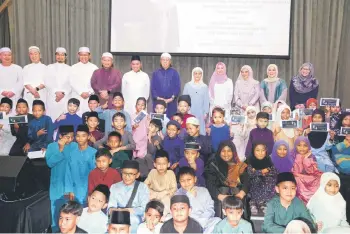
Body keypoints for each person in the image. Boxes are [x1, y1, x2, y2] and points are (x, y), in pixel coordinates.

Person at [205, 140, 249, 218]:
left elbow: (246, 181)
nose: (226, 154)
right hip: (219, 197)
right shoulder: (213, 165)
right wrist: (220, 196)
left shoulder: (239, 165)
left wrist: (241, 194)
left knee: (238, 193)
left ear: (233, 152)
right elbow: (209, 183)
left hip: (237, 196)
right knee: (223, 190)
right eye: (223, 151)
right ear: (219, 152)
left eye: (229, 151)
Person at [46, 125, 75, 232]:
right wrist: (60, 149)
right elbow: (50, 163)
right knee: (56, 215)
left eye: (72, 137)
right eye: (67, 137)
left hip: (70, 186)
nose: (70, 139)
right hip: (56, 185)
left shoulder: (75, 146)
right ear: (60, 136)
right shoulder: (52, 146)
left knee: (70, 215)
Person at [108, 160, 149, 233]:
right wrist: (113, 211)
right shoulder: (114, 187)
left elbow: (144, 208)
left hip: (134, 216)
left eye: (131, 174)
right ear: (121, 172)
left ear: (137, 175)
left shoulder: (143, 187)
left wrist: (127, 211)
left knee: (132, 221)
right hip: (116, 214)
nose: (127, 177)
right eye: (124, 173)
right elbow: (110, 207)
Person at [176, 167, 221, 233]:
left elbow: (210, 208)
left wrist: (202, 220)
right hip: (188, 222)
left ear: (195, 179)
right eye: (183, 181)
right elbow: (181, 212)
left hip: (204, 221)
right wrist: (189, 195)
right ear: (179, 182)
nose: (186, 183)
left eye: (189, 179)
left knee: (217, 220)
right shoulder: (178, 194)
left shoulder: (203, 190)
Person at [65, 125, 96, 205]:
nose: (80, 138)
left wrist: (92, 192)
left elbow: (95, 174)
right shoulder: (71, 153)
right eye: (78, 136)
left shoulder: (94, 153)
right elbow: (68, 173)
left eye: (83, 136)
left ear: (88, 137)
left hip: (89, 190)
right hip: (74, 190)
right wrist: (70, 190)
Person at [144, 149, 177, 219]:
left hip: (165, 195)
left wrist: (164, 192)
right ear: (154, 164)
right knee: (145, 197)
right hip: (154, 195)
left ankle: (163, 216)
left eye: (164, 164)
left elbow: (174, 188)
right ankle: (146, 214)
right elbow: (145, 184)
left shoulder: (171, 173)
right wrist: (153, 192)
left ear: (168, 164)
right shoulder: (152, 172)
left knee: (167, 200)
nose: (161, 166)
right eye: (158, 164)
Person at [247, 143, 277, 214]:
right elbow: (250, 174)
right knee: (257, 179)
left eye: (263, 150)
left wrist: (259, 172)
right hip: (253, 185)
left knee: (270, 180)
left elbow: (274, 172)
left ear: (266, 151)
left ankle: (263, 202)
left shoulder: (268, 160)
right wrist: (261, 172)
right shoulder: (250, 160)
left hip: (265, 184)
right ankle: (253, 202)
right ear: (253, 151)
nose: (260, 153)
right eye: (257, 150)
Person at [291, 137, 323, 204]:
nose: (302, 148)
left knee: (320, 178)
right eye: (299, 145)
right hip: (297, 176)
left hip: (308, 177)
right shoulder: (292, 155)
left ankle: (313, 200)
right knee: (297, 179)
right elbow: (294, 171)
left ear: (308, 146)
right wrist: (300, 158)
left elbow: (313, 171)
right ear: (295, 146)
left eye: (305, 146)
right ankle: (304, 200)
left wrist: (306, 159)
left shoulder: (311, 156)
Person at [45, 47, 72, 121]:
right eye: (58, 54)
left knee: (64, 120)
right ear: (55, 56)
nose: (60, 57)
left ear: (65, 57)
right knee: (52, 120)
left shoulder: (70, 69)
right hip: (53, 98)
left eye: (62, 55)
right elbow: (47, 82)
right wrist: (56, 92)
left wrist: (63, 93)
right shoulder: (49, 67)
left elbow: (71, 83)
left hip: (65, 98)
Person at [151, 53, 181, 118]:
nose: (165, 61)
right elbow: (153, 88)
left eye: (167, 60)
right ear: (160, 61)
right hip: (158, 103)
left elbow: (177, 87)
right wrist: (158, 98)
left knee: (171, 123)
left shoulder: (175, 73)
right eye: (163, 60)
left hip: (171, 103)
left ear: (170, 62)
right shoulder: (155, 73)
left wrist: (171, 98)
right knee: (157, 124)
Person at [70, 47, 98, 116]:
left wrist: (89, 92)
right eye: (81, 55)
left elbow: (96, 83)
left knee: (89, 118)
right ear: (78, 55)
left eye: (85, 55)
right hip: (77, 95)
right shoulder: (73, 67)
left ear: (89, 55)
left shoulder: (94, 68)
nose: (83, 57)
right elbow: (71, 82)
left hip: (89, 97)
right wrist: (80, 92)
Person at [183, 67, 209, 135]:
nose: (197, 75)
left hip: (201, 113)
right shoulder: (187, 85)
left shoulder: (204, 86)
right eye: (195, 73)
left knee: (200, 130)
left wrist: (206, 113)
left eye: (199, 74)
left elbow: (206, 100)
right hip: (190, 111)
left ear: (202, 75)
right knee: (190, 128)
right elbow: (184, 99)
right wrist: (186, 111)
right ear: (193, 74)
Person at [22, 46, 47, 111]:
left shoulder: (46, 68)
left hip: (41, 95)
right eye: (31, 54)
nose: (33, 56)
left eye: (35, 54)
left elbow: (45, 82)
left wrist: (35, 90)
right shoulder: (25, 68)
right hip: (29, 95)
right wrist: (34, 92)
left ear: (40, 55)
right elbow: (25, 82)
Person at [131, 97, 150, 176]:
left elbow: (148, 127)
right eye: (139, 104)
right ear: (136, 106)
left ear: (145, 107)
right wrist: (134, 126)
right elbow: (130, 127)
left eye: (142, 105)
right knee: (134, 156)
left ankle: (142, 175)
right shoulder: (132, 115)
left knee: (142, 157)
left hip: (143, 138)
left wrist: (149, 120)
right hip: (135, 138)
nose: (140, 106)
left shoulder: (146, 116)